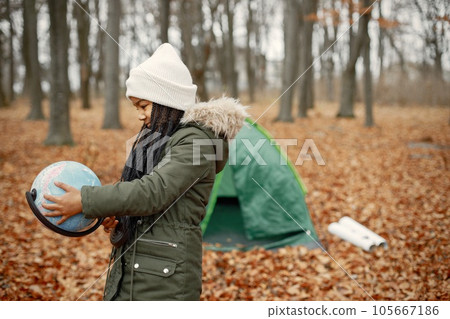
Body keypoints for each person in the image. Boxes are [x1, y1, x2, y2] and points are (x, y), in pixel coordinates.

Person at [41, 43, 248, 300]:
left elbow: (154, 192)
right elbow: (146, 203)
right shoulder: (160, 139)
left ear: (166, 102)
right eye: (136, 107)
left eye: (143, 106)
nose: (139, 116)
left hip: (166, 281)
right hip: (138, 273)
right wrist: (118, 219)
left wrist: (86, 200)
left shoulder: (197, 142)